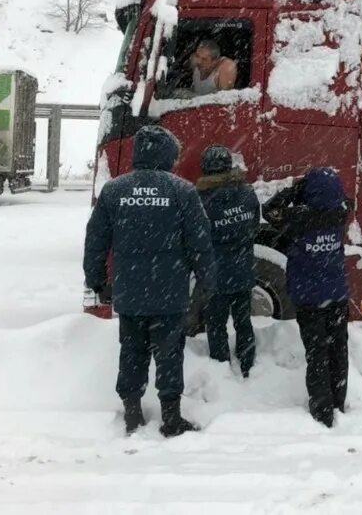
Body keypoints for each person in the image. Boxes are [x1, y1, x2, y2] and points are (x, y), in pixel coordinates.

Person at [83, 124, 216, 437]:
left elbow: (96, 240)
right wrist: (207, 281)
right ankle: (171, 417)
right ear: (169, 154)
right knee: (169, 354)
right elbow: (200, 242)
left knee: (131, 351)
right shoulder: (182, 190)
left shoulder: (114, 190)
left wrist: (97, 280)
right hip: (170, 291)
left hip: (129, 291)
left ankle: (132, 414)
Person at [264, 168, 351, 427]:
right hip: (336, 294)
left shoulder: (298, 217)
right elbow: (341, 198)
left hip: (309, 297)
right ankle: (338, 401)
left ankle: (322, 410)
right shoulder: (342, 212)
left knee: (317, 353)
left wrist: (294, 190)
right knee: (338, 349)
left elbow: (269, 210)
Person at [196, 145, 261, 377]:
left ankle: (221, 366)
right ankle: (247, 364)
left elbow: (199, 237)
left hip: (216, 275)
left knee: (216, 324)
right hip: (243, 270)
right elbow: (254, 226)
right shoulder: (246, 192)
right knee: (243, 322)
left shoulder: (201, 200)